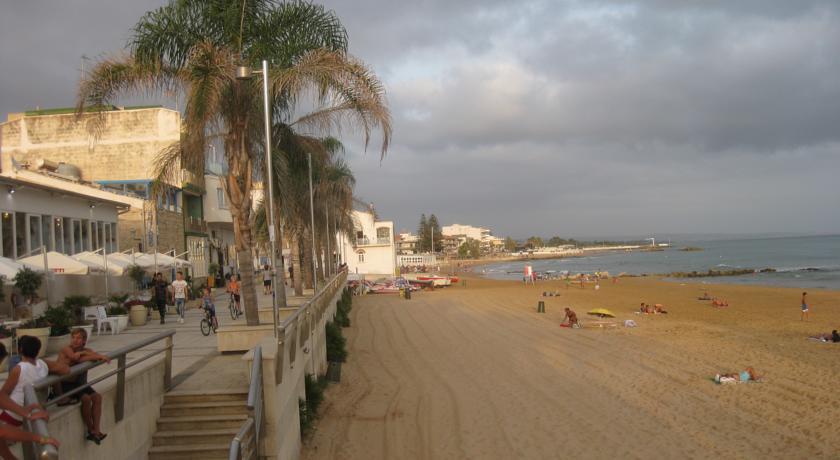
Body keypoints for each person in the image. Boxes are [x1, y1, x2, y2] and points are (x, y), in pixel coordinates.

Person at [55, 328, 110, 444]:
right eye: (73, 337)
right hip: (65, 384)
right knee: (86, 399)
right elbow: (75, 358)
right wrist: (86, 354)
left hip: (77, 383)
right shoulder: (66, 349)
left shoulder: (85, 350)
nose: (75, 340)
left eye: (78, 338)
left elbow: (91, 356)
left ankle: (97, 429)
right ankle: (91, 430)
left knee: (97, 397)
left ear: (84, 340)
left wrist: (86, 353)